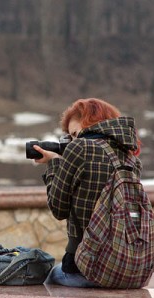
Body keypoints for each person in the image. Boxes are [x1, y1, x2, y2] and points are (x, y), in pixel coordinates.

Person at [32, 98, 142, 287]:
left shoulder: (79, 148)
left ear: (91, 124)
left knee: (48, 280)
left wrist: (54, 163)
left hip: (86, 265)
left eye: (75, 134)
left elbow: (58, 209)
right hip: (128, 264)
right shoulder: (131, 158)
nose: (73, 140)